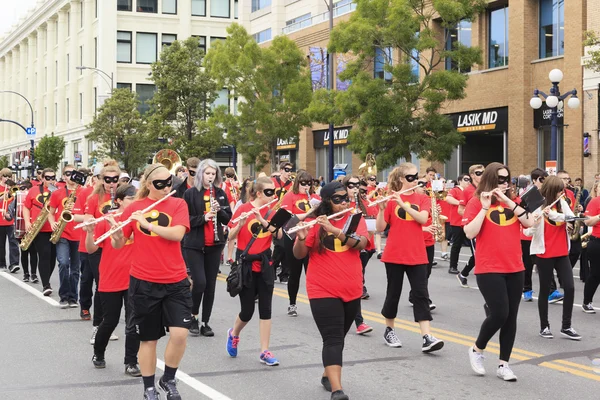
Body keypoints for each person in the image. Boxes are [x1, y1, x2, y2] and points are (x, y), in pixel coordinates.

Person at [111, 163, 191, 400]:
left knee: (179, 334)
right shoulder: (134, 208)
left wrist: (147, 224)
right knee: (148, 338)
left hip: (175, 279)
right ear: (148, 185)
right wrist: (116, 236)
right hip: (144, 281)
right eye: (161, 184)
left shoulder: (178, 203)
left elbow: (177, 233)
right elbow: (119, 243)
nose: (167, 187)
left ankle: (168, 378)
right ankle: (148, 387)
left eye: (169, 182)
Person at [293, 181, 368, 400]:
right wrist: (301, 238)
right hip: (322, 289)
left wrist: (334, 229)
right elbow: (299, 254)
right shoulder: (313, 223)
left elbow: (361, 243)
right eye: (338, 199)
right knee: (333, 339)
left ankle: (328, 375)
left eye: (346, 197)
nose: (344, 202)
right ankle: (337, 391)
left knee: (339, 338)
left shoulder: (355, 218)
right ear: (326, 202)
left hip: (352, 288)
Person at [464, 162, 535, 381]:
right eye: (500, 179)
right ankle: (477, 349)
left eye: (507, 179)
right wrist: (485, 207)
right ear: (490, 180)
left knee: (511, 316)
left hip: (515, 266)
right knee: (500, 313)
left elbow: (529, 221)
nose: (504, 183)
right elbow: (469, 232)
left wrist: (507, 201)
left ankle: (504, 364)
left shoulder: (514, 202)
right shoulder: (476, 202)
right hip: (489, 267)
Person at [376, 163, 444, 352]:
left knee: (421, 294)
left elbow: (422, 219)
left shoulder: (421, 198)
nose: (415, 181)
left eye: (416, 177)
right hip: (394, 254)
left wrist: (402, 203)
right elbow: (381, 228)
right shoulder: (390, 200)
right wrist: (382, 209)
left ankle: (426, 336)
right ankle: (389, 329)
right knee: (393, 293)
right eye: (411, 178)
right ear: (400, 180)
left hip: (417, 254)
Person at [84, 184, 141, 376]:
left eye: (136, 198)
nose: (134, 201)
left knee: (134, 320)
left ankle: (131, 362)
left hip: (136, 276)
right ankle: (98, 352)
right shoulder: (107, 220)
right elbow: (91, 249)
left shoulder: (141, 219)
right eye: (130, 198)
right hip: (111, 276)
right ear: (118, 201)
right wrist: (90, 232)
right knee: (110, 320)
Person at [226, 176, 282, 366]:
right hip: (247, 264)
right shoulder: (242, 209)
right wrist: (240, 224)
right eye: (268, 192)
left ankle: (265, 351)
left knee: (266, 309)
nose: (272, 195)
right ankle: (234, 334)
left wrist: (263, 220)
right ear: (258, 193)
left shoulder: (271, 211)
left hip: (265, 263)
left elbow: (279, 234)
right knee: (247, 311)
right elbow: (230, 236)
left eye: (273, 192)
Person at [525, 176, 581, 340]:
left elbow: (570, 217)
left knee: (569, 287)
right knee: (544, 290)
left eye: (562, 190)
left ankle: (566, 326)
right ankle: (544, 326)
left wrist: (555, 214)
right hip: (544, 253)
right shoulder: (538, 206)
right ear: (550, 190)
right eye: (558, 190)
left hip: (562, 252)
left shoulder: (561, 203)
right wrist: (534, 223)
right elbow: (527, 231)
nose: (561, 193)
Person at [183, 159, 232, 337]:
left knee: (210, 285)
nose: (210, 177)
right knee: (200, 282)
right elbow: (185, 219)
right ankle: (193, 315)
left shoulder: (220, 193)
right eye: (207, 173)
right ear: (201, 174)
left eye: (213, 174)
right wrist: (203, 218)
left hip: (215, 244)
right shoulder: (190, 194)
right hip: (194, 244)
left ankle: (205, 322)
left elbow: (228, 219)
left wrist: (219, 211)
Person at [84, 161, 122, 344]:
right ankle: (98, 326)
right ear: (101, 180)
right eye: (108, 180)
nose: (112, 183)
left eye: (115, 179)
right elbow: (86, 218)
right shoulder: (94, 198)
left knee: (117, 288)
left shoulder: (122, 197)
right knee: (102, 286)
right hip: (99, 245)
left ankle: (108, 324)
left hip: (117, 245)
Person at [280, 170, 316, 316]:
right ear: (297, 183)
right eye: (303, 183)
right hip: (293, 237)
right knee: (295, 273)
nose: (306, 186)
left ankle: (315, 304)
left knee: (311, 273)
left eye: (309, 183)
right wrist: (308, 213)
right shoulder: (290, 196)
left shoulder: (315, 197)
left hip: (311, 236)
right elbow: (288, 218)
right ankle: (292, 303)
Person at [48, 165, 82, 308]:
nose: (71, 176)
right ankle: (64, 295)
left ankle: (73, 297)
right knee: (63, 263)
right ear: (64, 176)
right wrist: (52, 224)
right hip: (62, 232)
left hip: (79, 233)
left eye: (74, 173)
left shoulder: (84, 192)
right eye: (68, 173)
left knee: (75, 269)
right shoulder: (57, 193)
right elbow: (51, 212)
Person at [343, 175, 374, 335]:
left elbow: (372, 223)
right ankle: (358, 321)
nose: (355, 188)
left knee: (356, 282)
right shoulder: (340, 204)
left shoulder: (363, 203)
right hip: (343, 248)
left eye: (357, 185)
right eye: (351, 185)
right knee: (352, 283)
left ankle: (358, 321)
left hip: (362, 246)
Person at [22, 167, 58, 296]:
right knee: (44, 254)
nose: (50, 180)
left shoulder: (57, 191)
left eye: (53, 177)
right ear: (42, 178)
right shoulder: (34, 190)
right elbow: (26, 207)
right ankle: (46, 284)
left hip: (54, 228)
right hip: (40, 228)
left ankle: (46, 278)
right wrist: (27, 222)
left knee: (53, 258)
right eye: (47, 178)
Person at [72, 164, 101, 321]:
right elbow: (75, 216)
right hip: (87, 244)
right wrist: (91, 219)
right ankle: (84, 306)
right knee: (87, 278)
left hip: (107, 245)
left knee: (102, 281)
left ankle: (100, 313)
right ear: (95, 178)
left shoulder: (114, 194)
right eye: (103, 178)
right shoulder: (85, 192)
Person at [521, 168, 547, 301]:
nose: (544, 182)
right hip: (527, 233)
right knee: (527, 264)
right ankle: (527, 289)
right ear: (534, 180)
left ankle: (551, 290)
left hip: (541, 232)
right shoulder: (528, 194)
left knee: (544, 261)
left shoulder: (546, 193)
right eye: (541, 179)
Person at [456, 164, 484, 287]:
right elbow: (460, 210)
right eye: (479, 173)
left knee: (482, 253)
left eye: (484, 172)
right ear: (472, 175)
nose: (482, 175)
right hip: (473, 227)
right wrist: (474, 217)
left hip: (487, 226)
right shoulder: (468, 190)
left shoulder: (487, 188)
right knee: (478, 254)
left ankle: (463, 274)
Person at [7, 180, 38, 282]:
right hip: (21, 230)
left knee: (33, 252)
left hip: (33, 228)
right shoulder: (17, 198)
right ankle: (26, 274)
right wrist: (7, 215)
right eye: (21, 188)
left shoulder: (34, 198)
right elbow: (10, 211)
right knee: (24, 252)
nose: (23, 191)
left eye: (25, 188)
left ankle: (33, 274)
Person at [446, 173, 469, 274]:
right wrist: (462, 203)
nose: (468, 181)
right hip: (457, 222)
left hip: (468, 221)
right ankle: (453, 266)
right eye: (465, 179)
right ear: (460, 181)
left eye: (469, 179)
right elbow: (448, 199)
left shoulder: (470, 191)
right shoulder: (455, 190)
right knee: (457, 245)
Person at [582, 184, 600, 313]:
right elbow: (587, 222)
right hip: (597, 242)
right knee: (596, 274)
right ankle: (587, 301)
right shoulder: (595, 202)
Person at [0, 168, 18, 273]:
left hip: (10, 218)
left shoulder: (13, 188)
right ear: (1, 176)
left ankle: (14, 263)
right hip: (0, 217)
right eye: (5, 176)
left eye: (9, 176)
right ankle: (2, 263)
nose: (7, 178)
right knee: (1, 243)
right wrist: (3, 197)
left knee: (13, 242)